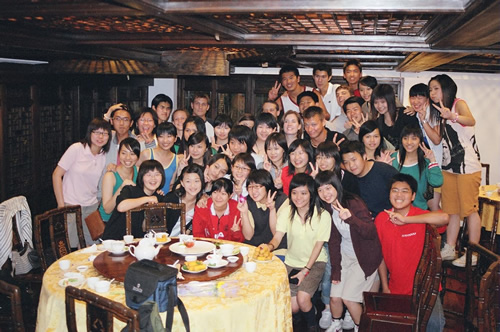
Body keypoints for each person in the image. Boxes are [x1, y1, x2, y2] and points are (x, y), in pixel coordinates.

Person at [375, 173, 449, 332]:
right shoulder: (381, 218)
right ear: (389, 194)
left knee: (435, 325)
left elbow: (444, 218)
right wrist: (384, 286)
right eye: (395, 190)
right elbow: (379, 256)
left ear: (413, 195)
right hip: (396, 288)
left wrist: (406, 220)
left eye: (405, 191)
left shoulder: (419, 216)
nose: (399, 195)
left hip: (426, 287)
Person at [260, 173, 331, 332]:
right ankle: (303, 317)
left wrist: (306, 270)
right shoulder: (287, 212)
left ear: (311, 194)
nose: (298, 197)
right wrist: (269, 246)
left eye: (304, 193)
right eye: (294, 193)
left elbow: (318, 246)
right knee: (293, 307)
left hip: (315, 262)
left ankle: (312, 325)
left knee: (303, 299)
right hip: (291, 261)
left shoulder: (323, 215)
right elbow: (277, 237)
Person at [316, 171, 382, 332]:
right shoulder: (327, 208)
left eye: (328, 188)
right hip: (345, 256)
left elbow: (371, 232)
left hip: (364, 257)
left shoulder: (353, 202)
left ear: (337, 186)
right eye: (320, 190)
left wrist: (351, 218)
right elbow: (333, 242)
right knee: (335, 297)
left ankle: (362, 328)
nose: (325, 193)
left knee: (349, 299)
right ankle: (336, 323)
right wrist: (336, 270)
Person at [429, 74, 482, 266]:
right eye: (431, 90)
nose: (432, 93)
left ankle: (473, 254)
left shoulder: (458, 103)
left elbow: (471, 120)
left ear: (446, 88)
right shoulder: (437, 111)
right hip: (448, 166)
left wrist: (453, 116)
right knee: (451, 210)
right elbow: (436, 139)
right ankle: (450, 248)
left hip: (467, 166)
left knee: (469, 210)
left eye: (436, 88)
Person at [53, 118, 111, 247]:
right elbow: (57, 174)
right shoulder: (77, 149)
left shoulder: (103, 154)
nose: (100, 137)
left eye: (104, 133)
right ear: (89, 133)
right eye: (96, 132)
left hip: (91, 206)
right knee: (71, 246)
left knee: (93, 246)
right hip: (71, 205)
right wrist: (61, 206)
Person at [102, 160, 165, 240]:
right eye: (148, 174)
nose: (153, 178)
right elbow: (121, 207)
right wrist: (147, 199)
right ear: (141, 177)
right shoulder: (130, 190)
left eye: (157, 174)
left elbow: (146, 228)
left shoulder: (158, 198)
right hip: (114, 240)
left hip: (138, 243)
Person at [407, 83, 444, 211]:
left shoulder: (434, 113)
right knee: (426, 204)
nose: (415, 101)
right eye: (412, 97)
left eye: (419, 97)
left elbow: (436, 139)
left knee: (433, 205)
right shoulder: (417, 113)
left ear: (427, 99)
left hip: (435, 165)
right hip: (424, 165)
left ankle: (440, 229)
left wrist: (424, 121)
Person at [340, 141, 398, 217]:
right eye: (346, 162)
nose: (351, 165)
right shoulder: (348, 180)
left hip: (390, 219)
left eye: (354, 160)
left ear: (364, 156)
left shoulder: (386, 172)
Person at [391, 126, 443, 210]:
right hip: (395, 210)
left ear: (420, 141)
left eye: (414, 138)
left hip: (419, 211)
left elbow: (437, 182)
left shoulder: (426, 162)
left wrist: (433, 160)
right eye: (405, 138)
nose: (409, 142)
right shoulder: (392, 158)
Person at [238, 169, 288, 249]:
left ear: (267, 185)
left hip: (277, 249)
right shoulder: (247, 202)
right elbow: (248, 236)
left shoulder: (282, 200)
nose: (253, 191)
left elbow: (276, 233)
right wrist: (244, 213)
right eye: (250, 187)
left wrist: (272, 209)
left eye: (257, 186)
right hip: (253, 248)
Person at [99, 137, 140, 222]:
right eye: (124, 153)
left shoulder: (139, 171)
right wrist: (121, 187)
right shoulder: (110, 176)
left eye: (132, 154)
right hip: (107, 222)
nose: (128, 158)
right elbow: (107, 209)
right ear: (118, 154)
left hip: (126, 220)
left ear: (138, 156)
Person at [192, 178, 244, 242]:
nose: (218, 197)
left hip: (228, 249)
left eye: (223, 194)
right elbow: (197, 235)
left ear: (231, 195)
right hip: (206, 248)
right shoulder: (202, 207)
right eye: (215, 192)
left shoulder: (237, 209)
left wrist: (236, 233)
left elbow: (239, 241)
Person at [371, 84, 418, 150]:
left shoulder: (406, 115)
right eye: (376, 102)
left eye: (383, 102)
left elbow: (416, 139)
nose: (379, 105)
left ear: (390, 100)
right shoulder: (377, 123)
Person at [163, 164, 205, 236]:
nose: (193, 185)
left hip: (183, 243)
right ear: (182, 183)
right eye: (188, 181)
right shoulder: (171, 199)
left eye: (196, 181)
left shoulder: (201, 203)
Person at [137, 122, 178, 194]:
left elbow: (171, 185)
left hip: (164, 201)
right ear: (156, 137)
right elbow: (135, 175)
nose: (165, 140)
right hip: (145, 199)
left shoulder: (176, 159)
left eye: (169, 136)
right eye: (161, 136)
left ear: (175, 138)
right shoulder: (146, 154)